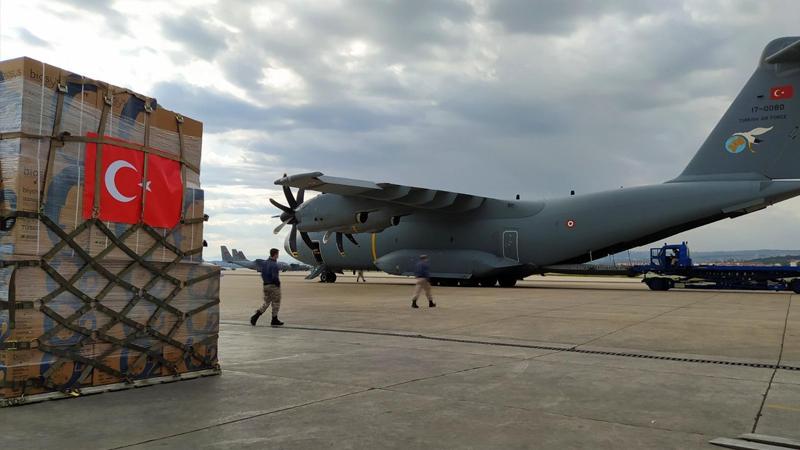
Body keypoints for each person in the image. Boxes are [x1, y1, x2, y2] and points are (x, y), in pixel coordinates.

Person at [251, 248, 284, 326]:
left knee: (266, 302)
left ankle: (256, 316)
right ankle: (274, 319)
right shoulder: (274, 265)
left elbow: (262, 274)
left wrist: (266, 282)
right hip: (273, 286)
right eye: (277, 254)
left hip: (266, 285)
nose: (278, 256)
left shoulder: (264, 263)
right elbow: (275, 277)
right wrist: (278, 284)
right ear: (275, 254)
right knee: (276, 302)